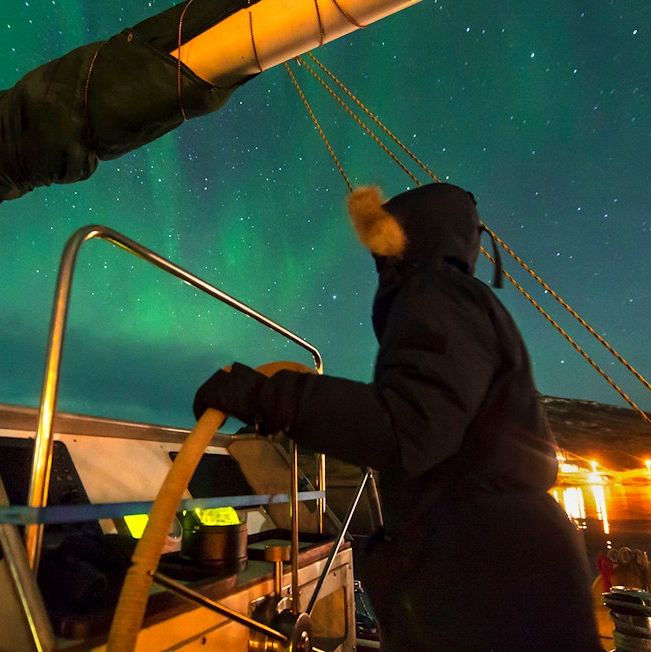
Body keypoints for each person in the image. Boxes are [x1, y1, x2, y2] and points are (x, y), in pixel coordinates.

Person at [193, 183, 604, 651]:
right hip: (507, 570)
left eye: (383, 250)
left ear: (404, 242)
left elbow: (409, 426)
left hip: (489, 582)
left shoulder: (436, 294)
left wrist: (266, 397)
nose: (379, 265)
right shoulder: (463, 299)